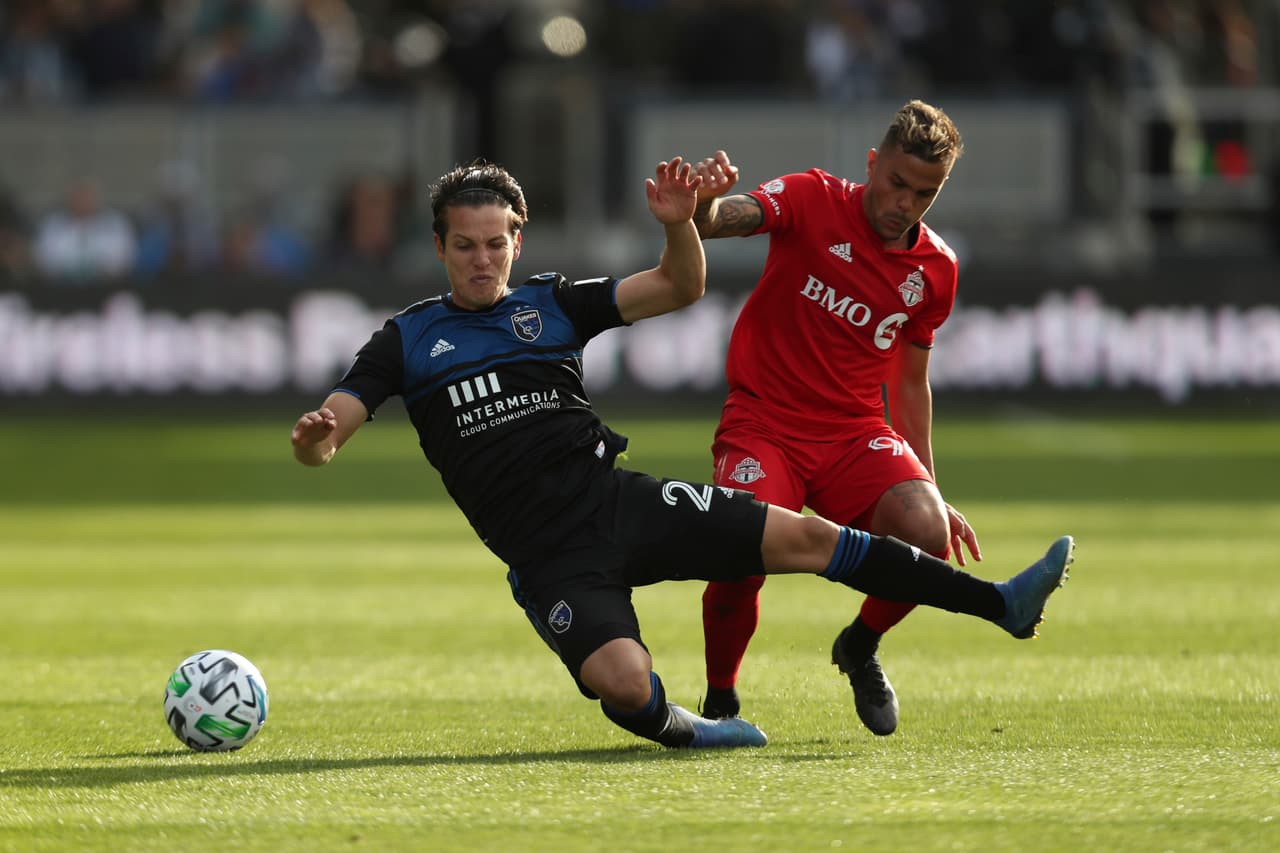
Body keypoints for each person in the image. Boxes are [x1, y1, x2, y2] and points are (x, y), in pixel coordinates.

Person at [290, 156, 1074, 750]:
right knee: (625, 684)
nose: (482, 259)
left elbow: (678, 287)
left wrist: (679, 222)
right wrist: (321, 437)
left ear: (516, 240)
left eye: (496, 243)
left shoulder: (554, 306)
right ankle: (691, 725)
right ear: (439, 247)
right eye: (465, 245)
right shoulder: (408, 339)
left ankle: (999, 603)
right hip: (551, 558)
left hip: (619, 502)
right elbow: (338, 422)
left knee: (804, 536)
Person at [690, 99, 974, 736]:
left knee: (928, 535)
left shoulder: (936, 270)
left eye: (922, 194)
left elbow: (909, 382)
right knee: (738, 550)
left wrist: (929, 483)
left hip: (853, 434)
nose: (904, 203)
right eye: (896, 183)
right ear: (873, 164)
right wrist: (702, 204)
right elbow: (727, 221)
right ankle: (720, 699)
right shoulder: (812, 196)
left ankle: (860, 646)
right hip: (763, 423)